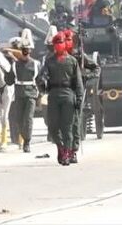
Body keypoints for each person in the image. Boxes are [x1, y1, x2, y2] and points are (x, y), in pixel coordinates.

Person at [38, 32, 83, 166]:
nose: (58, 46)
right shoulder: (49, 61)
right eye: (56, 44)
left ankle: (67, 153)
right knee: (52, 126)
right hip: (53, 94)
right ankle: (61, 147)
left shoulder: (72, 61)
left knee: (67, 127)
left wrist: (79, 98)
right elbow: (42, 76)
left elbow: (78, 82)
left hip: (68, 94)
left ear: (65, 44)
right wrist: (42, 84)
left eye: (60, 43)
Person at [66, 28, 99, 164]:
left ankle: (73, 150)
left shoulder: (79, 56)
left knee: (75, 121)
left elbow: (95, 68)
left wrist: (87, 76)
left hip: (77, 90)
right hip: (62, 90)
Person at [5, 32, 40, 153]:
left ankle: (27, 142)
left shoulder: (35, 64)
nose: (26, 52)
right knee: (19, 119)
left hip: (31, 94)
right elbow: (9, 81)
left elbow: (40, 80)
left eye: (27, 50)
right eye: (24, 49)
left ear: (30, 51)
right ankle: (24, 137)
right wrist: (7, 70)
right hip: (19, 94)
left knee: (28, 118)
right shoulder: (15, 65)